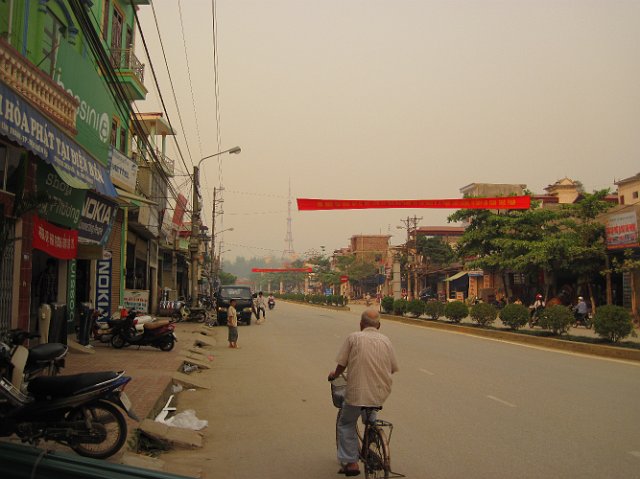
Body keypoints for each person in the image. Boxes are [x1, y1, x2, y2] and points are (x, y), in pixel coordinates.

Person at [328, 310, 399, 477]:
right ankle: (372, 434)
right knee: (369, 416)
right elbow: (392, 368)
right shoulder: (386, 341)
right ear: (379, 326)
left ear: (361, 325)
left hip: (356, 393)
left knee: (346, 423)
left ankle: (351, 462)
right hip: (379, 393)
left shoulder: (354, 338)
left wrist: (334, 375)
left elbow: (342, 364)